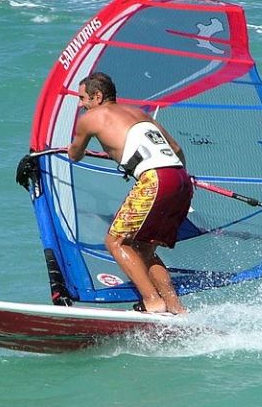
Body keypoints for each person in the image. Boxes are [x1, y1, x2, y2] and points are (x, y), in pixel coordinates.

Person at [68, 72, 193, 314]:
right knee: (143, 249)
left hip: (154, 179)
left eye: (82, 98)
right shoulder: (140, 113)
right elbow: (176, 148)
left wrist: (71, 149)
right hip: (180, 179)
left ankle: (152, 301)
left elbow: (74, 154)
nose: (81, 105)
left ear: (97, 96)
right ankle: (175, 307)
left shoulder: (91, 118)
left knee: (115, 242)